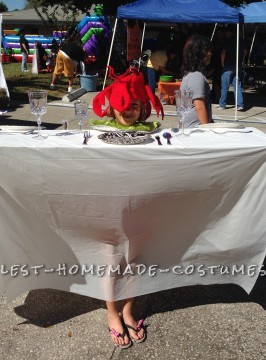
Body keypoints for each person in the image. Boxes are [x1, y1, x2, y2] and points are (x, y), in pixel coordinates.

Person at [91, 66, 163, 348]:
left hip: (140, 208)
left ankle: (129, 309)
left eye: (134, 104)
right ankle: (112, 313)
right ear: (112, 108)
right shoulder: (99, 135)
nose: (128, 110)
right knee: (110, 260)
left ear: (143, 107)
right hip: (109, 209)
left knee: (137, 259)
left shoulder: (153, 134)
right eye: (123, 105)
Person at [180, 34, 213, 127]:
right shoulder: (197, 77)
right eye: (206, 50)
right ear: (197, 53)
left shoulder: (189, 74)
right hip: (196, 130)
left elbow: (187, 106)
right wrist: (207, 130)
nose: (210, 53)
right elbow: (200, 107)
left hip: (189, 128)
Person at [218, 25, 246, 111]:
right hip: (238, 65)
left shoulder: (228, 40)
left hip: (228, 65)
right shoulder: (241, 40)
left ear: (229, 32)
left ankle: (222, 104)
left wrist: (222, 63)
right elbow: (245, 51)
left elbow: (223, 52)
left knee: (225, 86)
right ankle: (239, 104)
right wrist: (242, 59)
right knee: (237, 85)